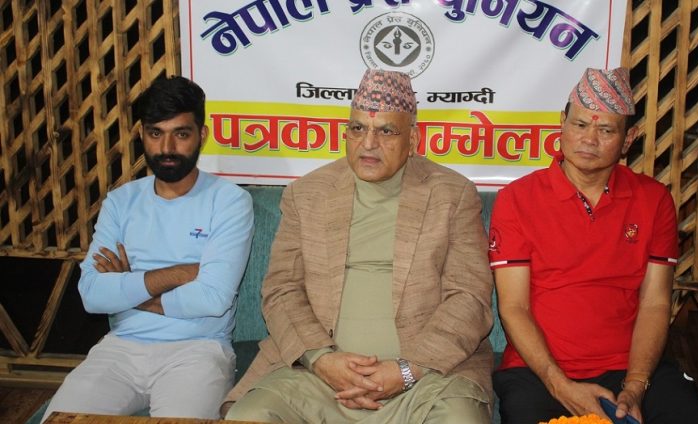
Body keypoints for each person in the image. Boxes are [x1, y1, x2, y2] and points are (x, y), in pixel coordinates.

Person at [223, 69, 494, 424]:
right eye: (358, 129)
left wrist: (407, 370)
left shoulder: (451, 194)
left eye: (386, 131)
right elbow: (281, 290)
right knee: (251, 416)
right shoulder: (307, 194)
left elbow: (469, 297)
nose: (368, 143)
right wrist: (321, 358)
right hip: (316, 378)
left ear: (413, 139)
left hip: (426, 379)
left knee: (459, 419)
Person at [489, 67, 698, 424]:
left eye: (606, 130)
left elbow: (656, 302)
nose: (589, 139)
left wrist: (636, 385)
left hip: (633, 368)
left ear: (629, 139)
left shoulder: (653, 200)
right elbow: (514, 307)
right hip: (539, 371)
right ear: (562, 124)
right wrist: (560, 385)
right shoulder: (518, 199)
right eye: (580, 125)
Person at [43, 76, 255, 420]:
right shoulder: (120, 202)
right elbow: (92, 295)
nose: (167, 147)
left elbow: (212, 299)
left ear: (201, 135)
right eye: (156, 133)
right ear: (141, 134)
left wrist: (128, 287)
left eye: (181, 134)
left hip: (198, 351)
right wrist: (180, 273)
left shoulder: (229, 201)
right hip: (120, 348)